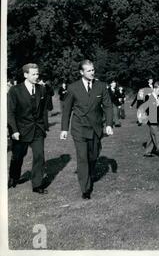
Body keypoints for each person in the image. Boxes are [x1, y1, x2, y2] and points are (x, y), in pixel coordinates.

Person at [60, 60, 113, 200]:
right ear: (81, 72)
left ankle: (89, 174)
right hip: (79, 128)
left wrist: (108, 124)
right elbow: (67, 110)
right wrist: (64, 128)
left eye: (93, 70)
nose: (92, 72)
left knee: (93, 156)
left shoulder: (101, 86)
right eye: (89, 71)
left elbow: (108, 106)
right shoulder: (73, 88)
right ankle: (86, 188)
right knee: (82, 157)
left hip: (96, 127)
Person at [8, 63, 49, 194]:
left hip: (37, 130)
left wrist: (44, 126)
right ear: (25, 75)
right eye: (33, 74)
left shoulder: (42, 89)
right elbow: (10, 112)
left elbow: (43, 110)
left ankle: (37, 184)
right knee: (18, 156)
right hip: (21, 131)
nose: (37, 76)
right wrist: (14, 130)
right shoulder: (15, 90)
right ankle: (14, 177)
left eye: (37, 74)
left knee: (39, 156)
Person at [143, 82, 159, 157]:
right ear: (155, 88)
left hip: (156, 119)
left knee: (152, 135)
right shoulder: (149, 96)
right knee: (157, 135)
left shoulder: (157, 97)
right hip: (152, 119)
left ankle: (147, 152)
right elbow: (146, 108)